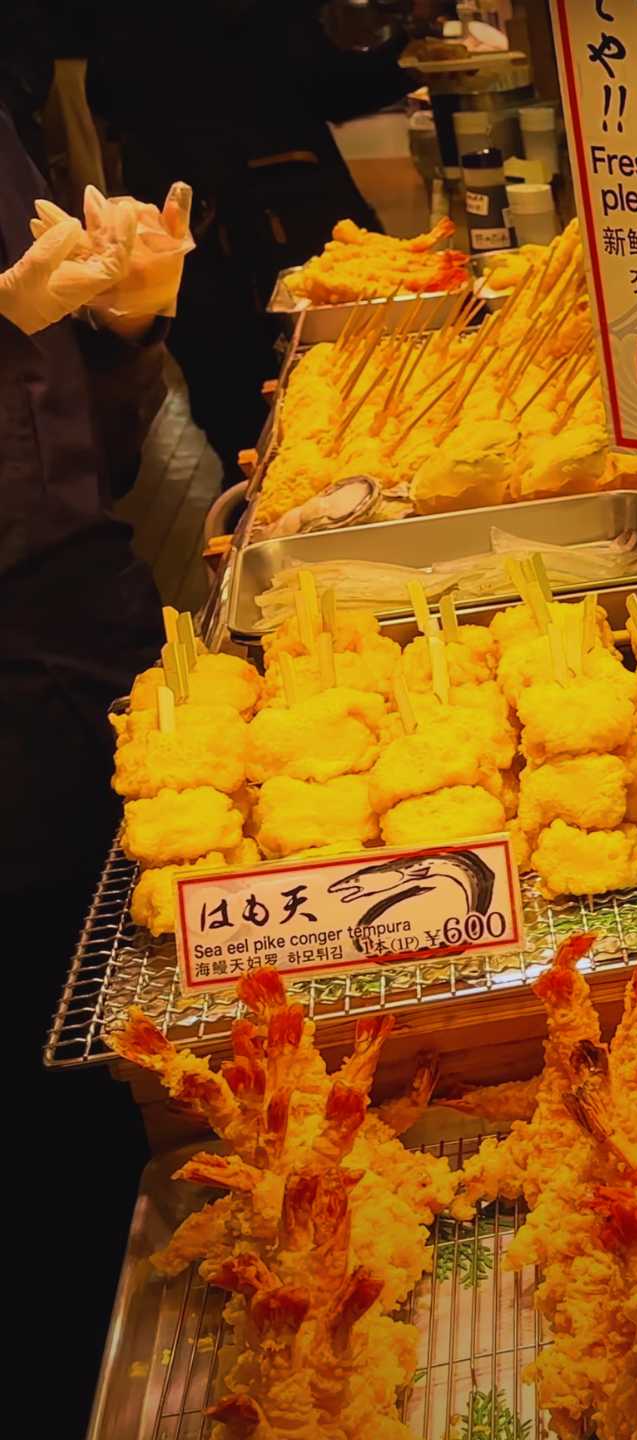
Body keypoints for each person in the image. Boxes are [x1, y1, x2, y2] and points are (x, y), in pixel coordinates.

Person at [0, 105, 188, 1432]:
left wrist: (121, 325)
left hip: (86, 651)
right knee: (46, 1147)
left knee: (120, 1087)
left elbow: (76, 459)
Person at [86, 0, 413, 479]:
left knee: (236, 416)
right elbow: (331, 86)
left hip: (182, 226)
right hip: (271, 219)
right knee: (343, 405)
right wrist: (403, 44)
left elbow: (105, 93)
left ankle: (255, 497)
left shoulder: (120, 19)